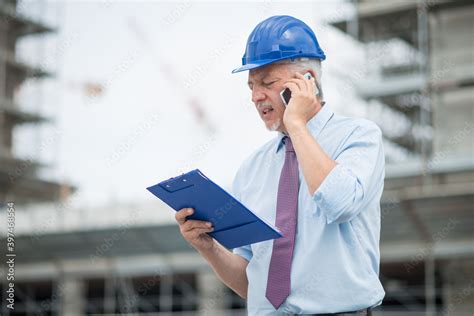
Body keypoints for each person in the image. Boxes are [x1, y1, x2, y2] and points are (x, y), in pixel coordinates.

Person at [175, 15, 385, 315]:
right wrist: (207, 246)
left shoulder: (359, 137)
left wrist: (297, 124)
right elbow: (253, 284)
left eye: (267, 83)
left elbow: (339, 203)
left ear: (307, 81)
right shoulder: (252, 169)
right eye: (251, 86)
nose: (255, 96)